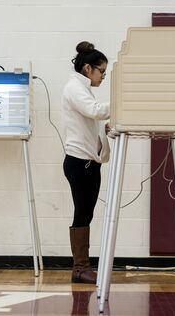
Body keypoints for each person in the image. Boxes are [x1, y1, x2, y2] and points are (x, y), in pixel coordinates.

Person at [62, 41, 110, 284]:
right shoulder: (74, 87)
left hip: (88, 161)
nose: (103, 76)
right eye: (102, 71)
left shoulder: (82, 88)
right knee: (82, 214)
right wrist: (124, 104)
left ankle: (81, 267)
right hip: (79, 162)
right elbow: (94, 111)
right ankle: (80, 268)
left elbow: (92, 121)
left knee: (86, 214)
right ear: (88, 68)